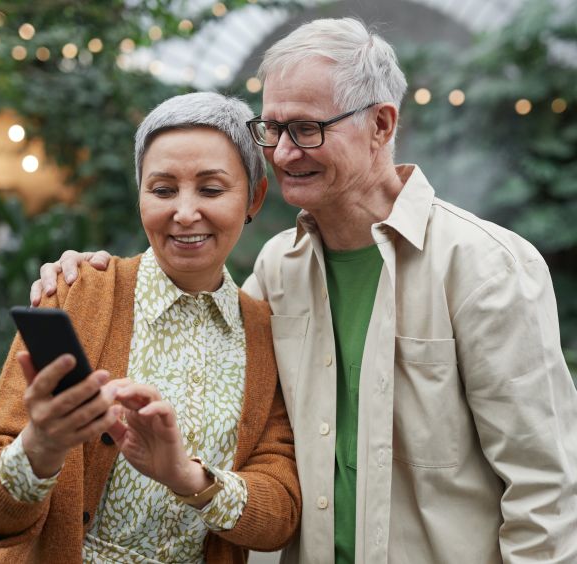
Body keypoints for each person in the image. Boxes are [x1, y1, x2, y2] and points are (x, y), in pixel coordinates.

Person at [30, 18, 577, 564]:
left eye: (307, 128)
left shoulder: (486, 266)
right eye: (272, 128)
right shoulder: (277, 270)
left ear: (382, 125)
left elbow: (547, 489)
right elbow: (198, 330)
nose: (285, 152)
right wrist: (93, 274)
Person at [0, 92, 301, 564]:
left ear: (254, 198)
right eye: (162, 190)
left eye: (211, 189)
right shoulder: (79, 292)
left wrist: (189, 478)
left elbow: (280, 512)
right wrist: (41, 444)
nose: (184, 213)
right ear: (140, 194)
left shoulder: (266, 332)